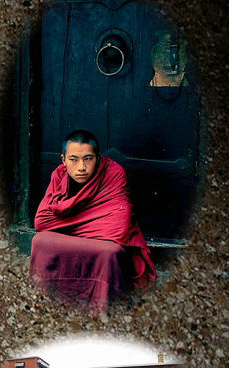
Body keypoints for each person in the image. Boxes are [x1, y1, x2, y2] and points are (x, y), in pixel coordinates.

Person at [30, 130, 156, 312]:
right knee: (39, 240)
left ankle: (101, 309)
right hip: (97, 237)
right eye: (73, 159)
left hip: (104, 241)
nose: (81, 167)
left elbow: (118, 228)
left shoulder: (113, 173)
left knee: (110, 250)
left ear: (98, 158)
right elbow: (41, 222)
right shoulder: (59, 175)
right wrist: (96, 221)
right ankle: (49, 304)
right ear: (63, 160)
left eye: (88, 159)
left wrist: (66, 224)